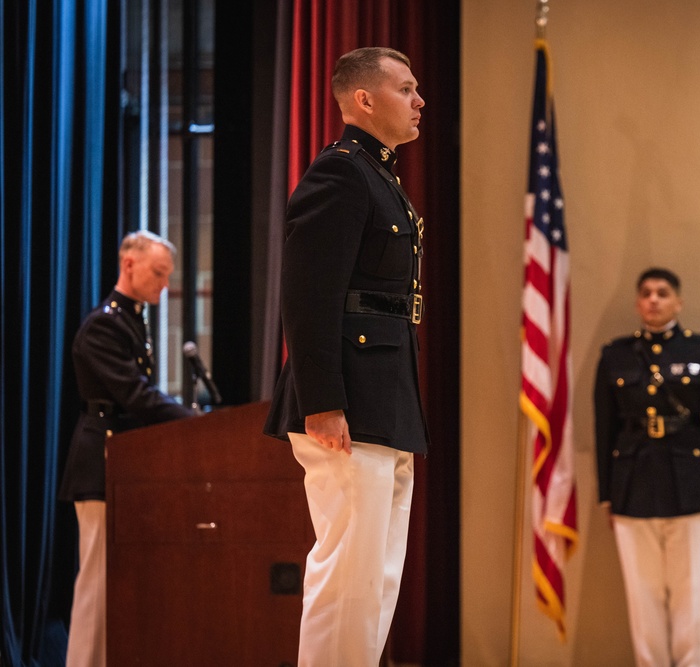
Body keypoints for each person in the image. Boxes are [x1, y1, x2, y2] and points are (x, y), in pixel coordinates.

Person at [263, 46, 428, 666]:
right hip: (348, 403)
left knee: (377, 584)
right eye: (406, 88)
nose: (419, 101)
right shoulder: (340, 172)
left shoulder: (380, 176)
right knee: (346, 580)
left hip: (385, 397)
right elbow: (309, 297)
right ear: (364, 99)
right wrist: (323, 402)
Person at [58, 230, 196, 667]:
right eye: (159, 273)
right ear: (129, 264)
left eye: (169, 276)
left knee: (120, 581)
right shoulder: (105, 324)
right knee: (96, 580)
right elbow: (135, 396)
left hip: (126, 461)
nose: (165, 285)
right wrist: (194, 420)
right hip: (101, 458)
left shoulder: (132, 320)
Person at [593, 267, 700, 667]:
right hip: (632, 486)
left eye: (663, 292)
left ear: (678, 302)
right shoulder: (615, 355)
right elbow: (605, 429)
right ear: (638, 302)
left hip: (693, 487)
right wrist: (607, 494)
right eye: (646, 293)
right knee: (643, 598)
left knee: (689, 597)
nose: (654, 299)